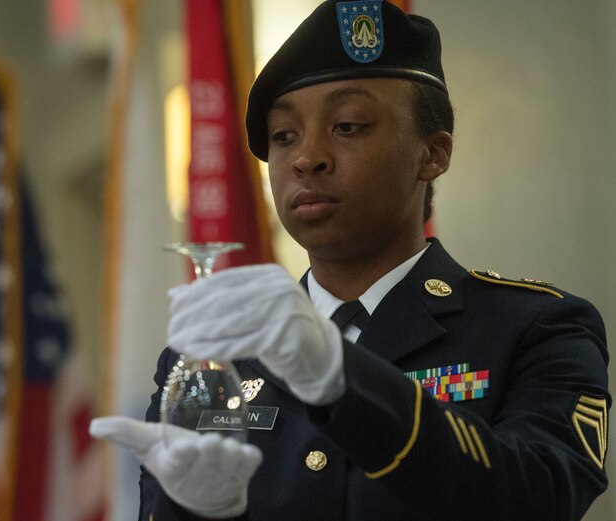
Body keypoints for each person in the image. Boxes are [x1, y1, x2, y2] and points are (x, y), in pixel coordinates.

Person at [90, 1, 610, 519]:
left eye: (348, 125)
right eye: (284, 136)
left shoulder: (534, 328)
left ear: (433, 153)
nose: (305, 157)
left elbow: (541, 496)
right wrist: (195, 510)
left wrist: (343, 377)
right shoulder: (216, 359)